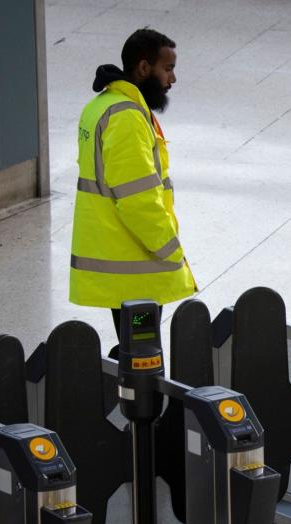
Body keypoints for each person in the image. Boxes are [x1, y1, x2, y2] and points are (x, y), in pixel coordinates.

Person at [69, 28, 195, 333]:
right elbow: (137, 198)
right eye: (167, 69)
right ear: (143, 68)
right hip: (137, 261)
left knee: (132, 356)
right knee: (143, 361)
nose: (172, 80)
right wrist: (170, 249)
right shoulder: (126, 117)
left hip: (115, 253)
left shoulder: (100, 106)